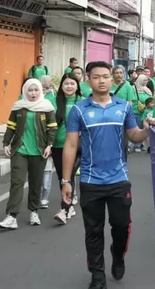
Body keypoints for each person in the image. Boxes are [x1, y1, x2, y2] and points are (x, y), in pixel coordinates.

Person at [62, 61, 155, 287]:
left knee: (121, 227)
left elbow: (134, 135)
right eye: (97, 77)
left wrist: (146, 129)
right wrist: (66, 181)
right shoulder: (79, 110)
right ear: (88, 80)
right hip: (90, 181)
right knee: (93, 232)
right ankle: (98, 276)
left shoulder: (123, 107)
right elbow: (70, 145)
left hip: (118, 180)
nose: (102, 80)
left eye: (106, 76)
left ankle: (117, 256)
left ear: (112, 79)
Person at [0, 79, 57, 230]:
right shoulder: (19, 106)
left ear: (41, 91)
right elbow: (11, 126)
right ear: (24, 91)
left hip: (39, 150)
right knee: (17, 182)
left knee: (36, 183)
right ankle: (12, 216)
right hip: (20, 150)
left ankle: (34, 211)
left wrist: (50, 145)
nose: (33, 93)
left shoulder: (47, 107)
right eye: (30, 90)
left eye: (36, 90)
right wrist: (6, 143)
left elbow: (52, 128)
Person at [50, 74, 83, 224]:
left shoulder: (84, 103)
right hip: (58, 145)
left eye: (72, 83)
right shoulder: (52, 101)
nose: (69, 86)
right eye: (66, 84)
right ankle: (69, 206)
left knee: (68, 176)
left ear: (77, 86)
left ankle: (64, 208)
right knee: (62, 177)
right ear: (61, 86)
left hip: (79, 146)